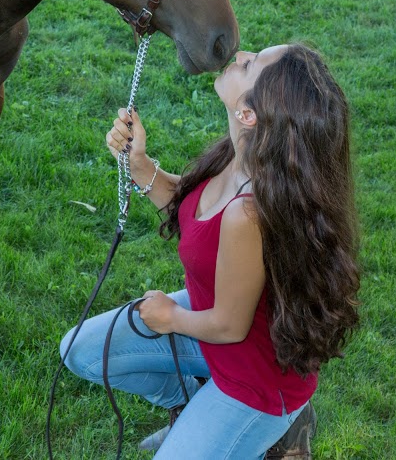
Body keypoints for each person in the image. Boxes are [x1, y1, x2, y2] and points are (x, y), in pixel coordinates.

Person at [59, 44, 361, 459]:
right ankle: (190, 405)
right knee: (80, 351)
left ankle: (279, 431)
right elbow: (193, 215)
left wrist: (171, 318)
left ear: (249, 115)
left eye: (250, 64)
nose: (239, 54)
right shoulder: (239, 157)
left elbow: (230, 326)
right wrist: (140, 164)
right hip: (213, 336)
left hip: (252, 384)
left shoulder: (248, 213)